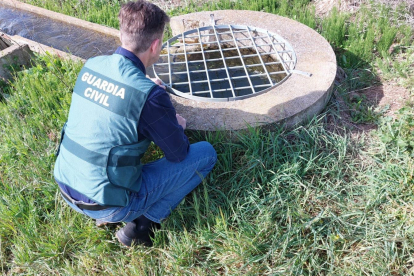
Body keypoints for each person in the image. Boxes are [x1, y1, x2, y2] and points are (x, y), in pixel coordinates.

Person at [53, 0, 217, 247]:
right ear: (156, 45)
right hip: (107, 203)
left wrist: (150, 94)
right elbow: (178, 153)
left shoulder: (92, 66)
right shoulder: (150, 97)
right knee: (205, 154)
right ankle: (143, 226)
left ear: (122, 34)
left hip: (65, 184)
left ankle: (109, 215)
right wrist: (176, 123)